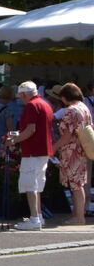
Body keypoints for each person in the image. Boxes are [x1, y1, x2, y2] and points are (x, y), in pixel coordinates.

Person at [7, 81, 54, 230]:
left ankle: (34, 219)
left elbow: (30, 129)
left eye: (21, 96)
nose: (21, 99)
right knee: (37, 184)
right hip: (43, 149)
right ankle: (38, 216)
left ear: (24, 94)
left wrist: (14, 140)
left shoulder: (32, 106)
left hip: (33, 150)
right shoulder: (45, 104)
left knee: (30, 184)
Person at [53, 83, 91, 225]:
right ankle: (77, 215)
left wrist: (54, 147)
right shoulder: (84, 108)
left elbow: (67, 136)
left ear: (64, 97)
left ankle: (79, 217)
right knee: (79, 183)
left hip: (71, 151)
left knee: (76, 185)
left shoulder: (71, 111)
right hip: (81, 149)